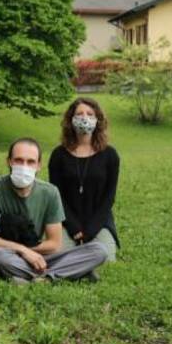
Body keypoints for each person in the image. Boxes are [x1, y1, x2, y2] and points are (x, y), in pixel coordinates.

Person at [0, 138, 108, 283]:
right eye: (18, 160)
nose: (24, 166)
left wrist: (31, 253)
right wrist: (22, 251)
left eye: (30, 162)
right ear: (9, 161)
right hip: (6, 252)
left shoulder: (50, 192)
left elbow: (54, 244)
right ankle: (69, 272)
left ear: (39, 165)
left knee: (99, 250)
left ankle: (41, 277)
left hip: (38, 253)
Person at [48, 98, 120, 260]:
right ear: (71, 119)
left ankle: (81, 259)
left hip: (99, 223)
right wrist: (74, 228)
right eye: (79, 114)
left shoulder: (110, 155)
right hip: (67, 223)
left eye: (89, 114)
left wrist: (91, 230)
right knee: (57, 256)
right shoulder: (58, 155)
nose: (84, 118)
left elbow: (109, 198)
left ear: (97, 119)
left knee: (105, 259)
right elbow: (56, 196)